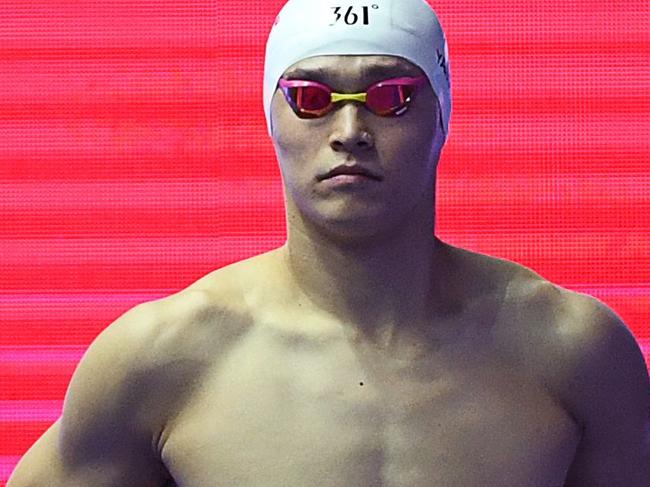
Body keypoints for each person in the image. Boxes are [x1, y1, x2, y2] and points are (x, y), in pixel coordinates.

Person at [8, 0, 649, 485]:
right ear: (272, 118)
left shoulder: (572, 351)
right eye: (312, 97)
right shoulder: (162, 360)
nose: (349, 129)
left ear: (442, 114)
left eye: (390, 97)